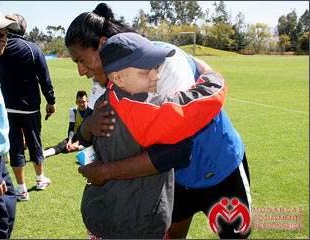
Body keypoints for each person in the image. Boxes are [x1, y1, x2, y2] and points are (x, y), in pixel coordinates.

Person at [66, 3, 249, 239]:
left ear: (102, 45)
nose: (81, 71)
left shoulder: (162, 65)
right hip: (172, 178)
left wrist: (106, 171)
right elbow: (84, 132)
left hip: (217, 166)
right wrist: (89, 127)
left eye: (82, 60)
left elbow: (179, 150)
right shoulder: (107, 76)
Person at [0, 14, 56, 202]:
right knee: (35, 143)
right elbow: (44, 79)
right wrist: (51, 101)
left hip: (7, 109)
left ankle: (21, 189)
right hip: (29, 108)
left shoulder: (0, 49)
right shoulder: (32, 49)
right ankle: (40, 179)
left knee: (16, 148)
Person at [0, 10, 18, 239]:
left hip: (0, 158)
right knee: (0, 219)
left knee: (7, 210)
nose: (5, 39)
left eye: (6, 35)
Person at [43, 90, 88, 158]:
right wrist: (70, 141)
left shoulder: (91, 111)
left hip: (88, 136)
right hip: (78, 135)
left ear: (87, 102)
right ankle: (45, 153)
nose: (81, 104)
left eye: (83, 102)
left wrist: (77, 143)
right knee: (63, 145)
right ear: (76, 102)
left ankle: (77, 147)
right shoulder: (74, 110)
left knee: (92, 144)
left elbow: (88, 130)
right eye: (79, 102)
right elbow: (71, 128)